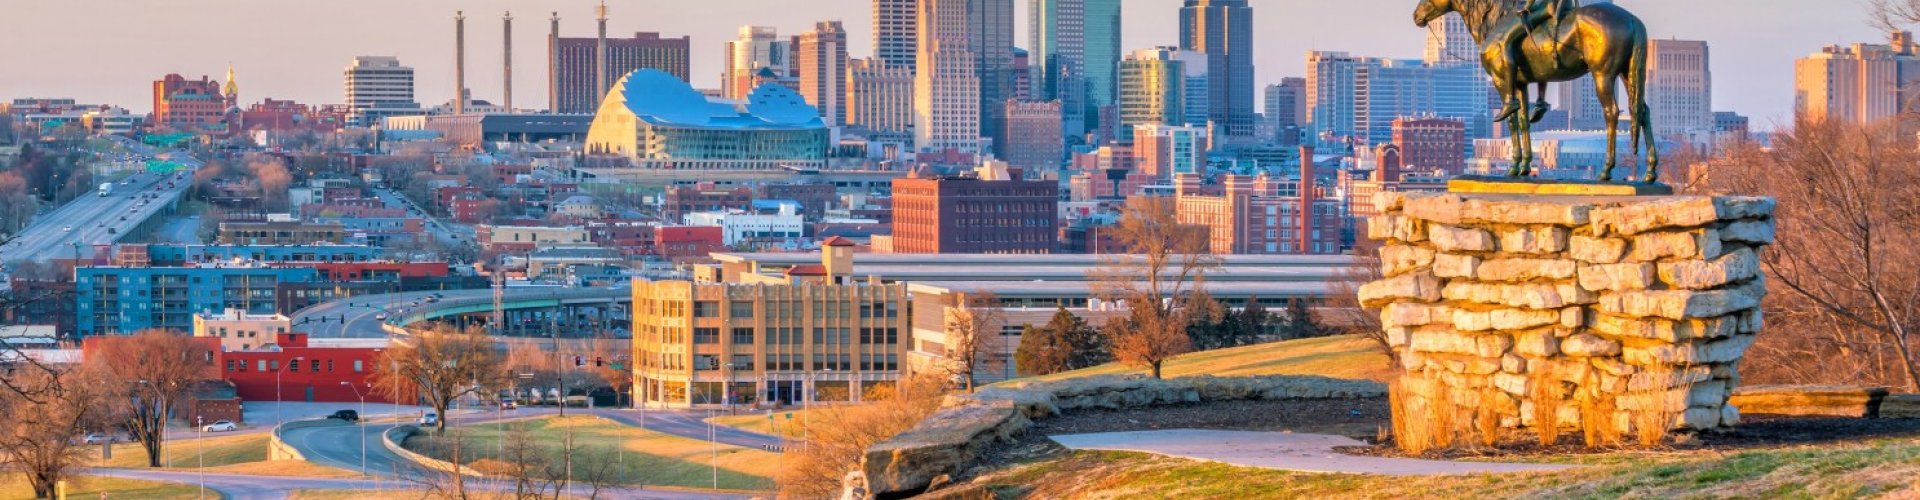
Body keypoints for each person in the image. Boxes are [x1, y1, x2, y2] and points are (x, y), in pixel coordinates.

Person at [1493, 0, 1573, 122]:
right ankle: (1541, 100)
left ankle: (1511, 100)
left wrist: (1526, 6)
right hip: (1566, 5)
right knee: (1538, 47)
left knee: (1506, 42)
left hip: (1549, 7)